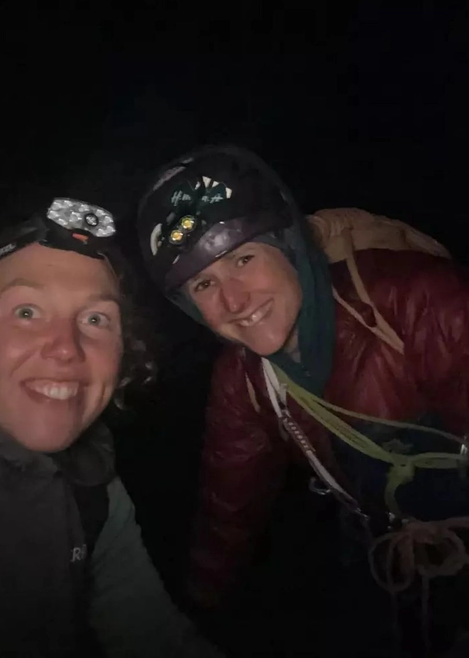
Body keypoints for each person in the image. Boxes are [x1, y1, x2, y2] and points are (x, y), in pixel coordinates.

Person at [137, 145, 469, 657]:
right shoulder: (244, 380)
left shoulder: (415, 299)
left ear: (288, 244)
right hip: (382, 555)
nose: (233, 301)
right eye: (204, 283)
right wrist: (191, 614)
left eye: (243, 258)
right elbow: (229, 508)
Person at [0, 197, 223, 658]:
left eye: (95, 319)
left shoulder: (94, 483)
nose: (66, 348)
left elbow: (148, 634)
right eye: (27, 312)